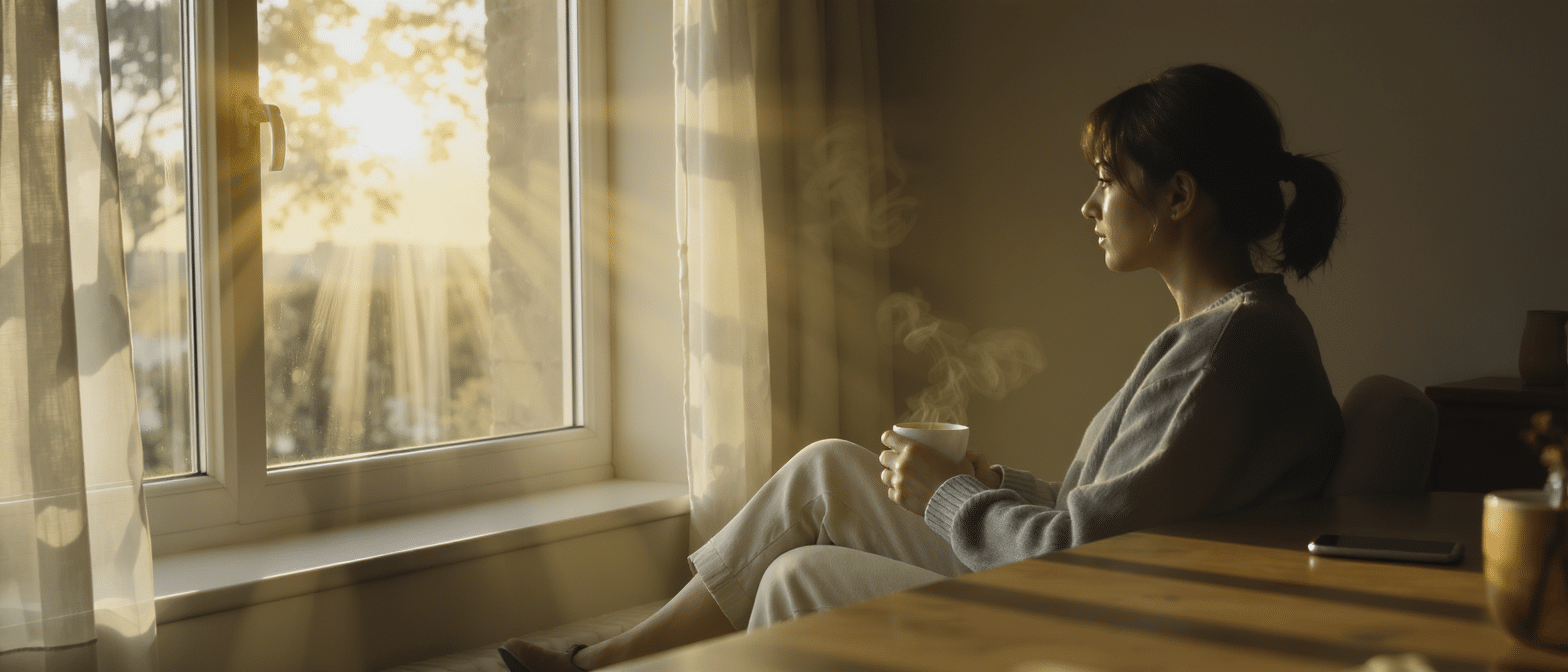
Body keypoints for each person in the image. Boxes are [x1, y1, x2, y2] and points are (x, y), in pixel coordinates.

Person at [498, 62, 1346, 672]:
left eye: (1106, 180)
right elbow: (1114, 509)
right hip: (1097, 587)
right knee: (827, 469)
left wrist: (949, 495)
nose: (1089, 204)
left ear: (1178, 196)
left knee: (799, 576)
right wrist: (993, 484)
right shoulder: (1229, 332)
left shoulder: (1227, 348)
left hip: (1097, 619)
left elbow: (1085, 551)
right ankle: (611, 662)